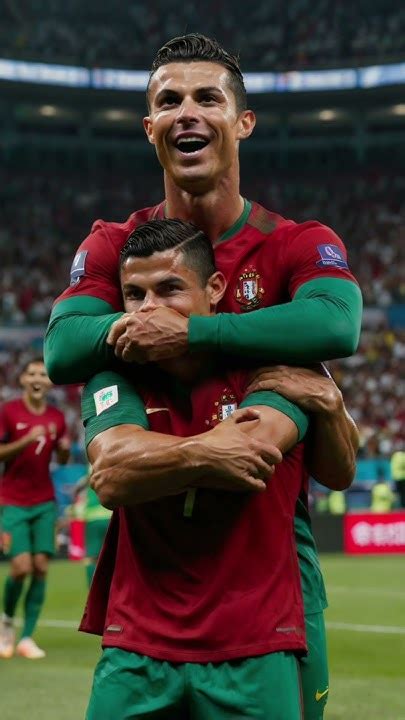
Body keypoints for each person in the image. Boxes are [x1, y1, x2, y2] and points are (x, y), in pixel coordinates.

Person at [44, 34, 361, 718]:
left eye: (207, 97)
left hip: (271, 573)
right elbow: (63, 348)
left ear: (243, 122)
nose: (186, 111)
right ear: (149, 127)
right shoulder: (115, 245)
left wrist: (189, 334)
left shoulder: (293, 243)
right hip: (150, 585)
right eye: (169, 101)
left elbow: (338, 326)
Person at [82, 219, 358, 719]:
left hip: (254, 638)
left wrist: (153, 458)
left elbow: (252, 454)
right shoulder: (112, 372)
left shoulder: (272, 367)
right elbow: (111, 474)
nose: (148, 310)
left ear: (214, 289)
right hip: (137, 642)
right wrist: (205, 453)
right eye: (134, 295)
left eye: (169, 289)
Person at [0, 357, 70, 660]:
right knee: (20, 568)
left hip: (44, 501)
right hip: (12, 500)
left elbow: (61, 459)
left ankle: (27, 637)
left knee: (41, 567)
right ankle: (6, 623)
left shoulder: (57, 417)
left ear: (49, 382)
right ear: (23, 380)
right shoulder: (8, 411)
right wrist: (26, 440)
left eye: (43, 374)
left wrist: (64, 451)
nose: (37, 378)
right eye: (32, 374)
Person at [72, 467, 112, 587]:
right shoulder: (113, 464)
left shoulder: (91, 467)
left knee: (91, 558)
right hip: (112, 514)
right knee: (116, 556)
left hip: (93, 517)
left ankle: (94, 591)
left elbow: (77, 490)